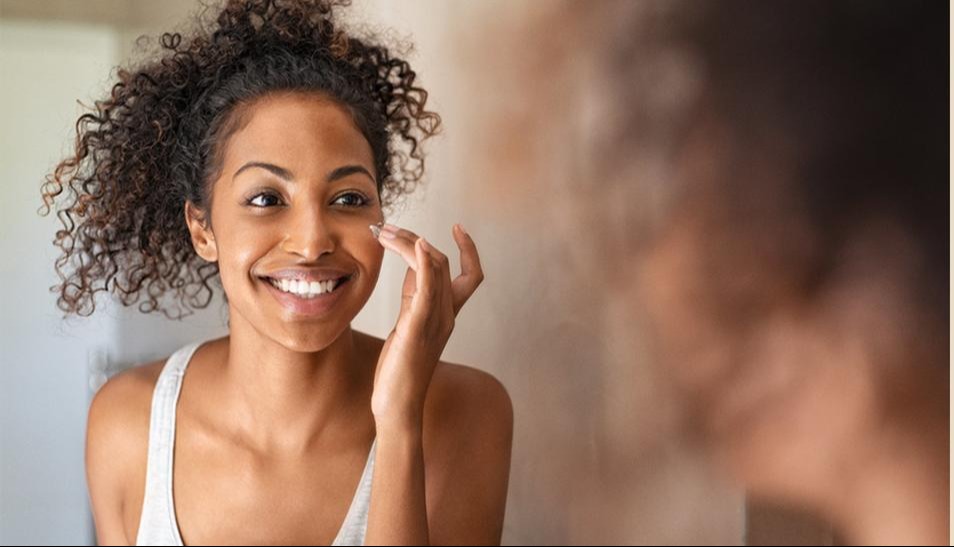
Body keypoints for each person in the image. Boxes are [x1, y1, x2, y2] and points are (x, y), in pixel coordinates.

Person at [41, 1, 513, 544]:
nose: (312, 242)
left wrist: (400, 418)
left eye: (349, 197)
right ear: (203, 230)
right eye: (267, 197)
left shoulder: (468, 412)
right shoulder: (128, 423)